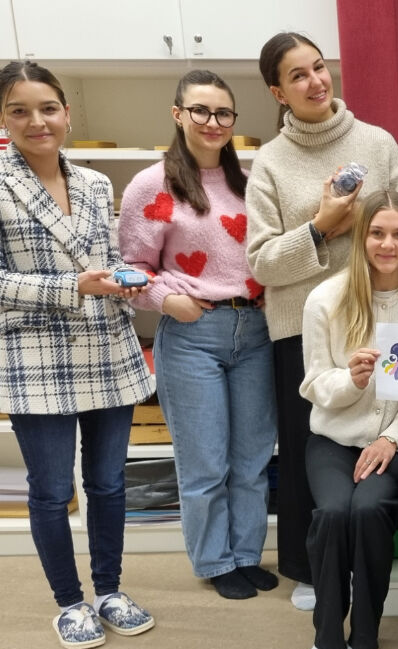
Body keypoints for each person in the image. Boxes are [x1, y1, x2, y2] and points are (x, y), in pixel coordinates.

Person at [0, 61, 154, 649]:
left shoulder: (92, 181)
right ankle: (70, 602)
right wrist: (75, 287)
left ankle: (110, 590)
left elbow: (105, 256)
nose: (37, 121)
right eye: (20, 110)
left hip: (106, 348)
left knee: (110, 483)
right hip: (35, 353)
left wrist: (126, 280)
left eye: (47, 108)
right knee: (50, 488)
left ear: (67, 113)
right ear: (2, 118)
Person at [247, 31, 398, 610]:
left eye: (319, 68)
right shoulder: (271, 162)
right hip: (305, 325)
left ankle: (370, 555)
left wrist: (373, 234)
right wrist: (322, 228)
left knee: (381, 441)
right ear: (278, 91)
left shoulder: (375, 144)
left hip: (385, 322)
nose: (315, 82)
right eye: (297, 75)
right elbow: (261, 263)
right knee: (310, 451)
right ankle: (310, 566)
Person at [119, 70, 277, 600]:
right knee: (204, 461)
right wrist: (168, 300)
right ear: (178, 114)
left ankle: (247, 554)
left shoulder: (250, 183)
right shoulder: (152, 183)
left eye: (223, 113)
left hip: (254, 329)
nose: (213, 122)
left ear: (234, 121)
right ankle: (215, 560)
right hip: (193, 334)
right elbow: (131, 270)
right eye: (201, 111)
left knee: (253, 457)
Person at [298, 191, 398, 649]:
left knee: (369, 509)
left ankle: (365, 631)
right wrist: (351, 381)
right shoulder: (325, 299)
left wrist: (395, 436)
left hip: (395, 442)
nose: (388, 243)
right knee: (334, 513)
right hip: (333, 438)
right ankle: (326, 635)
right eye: (377, 232)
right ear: (361, 237)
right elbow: (314, 383)